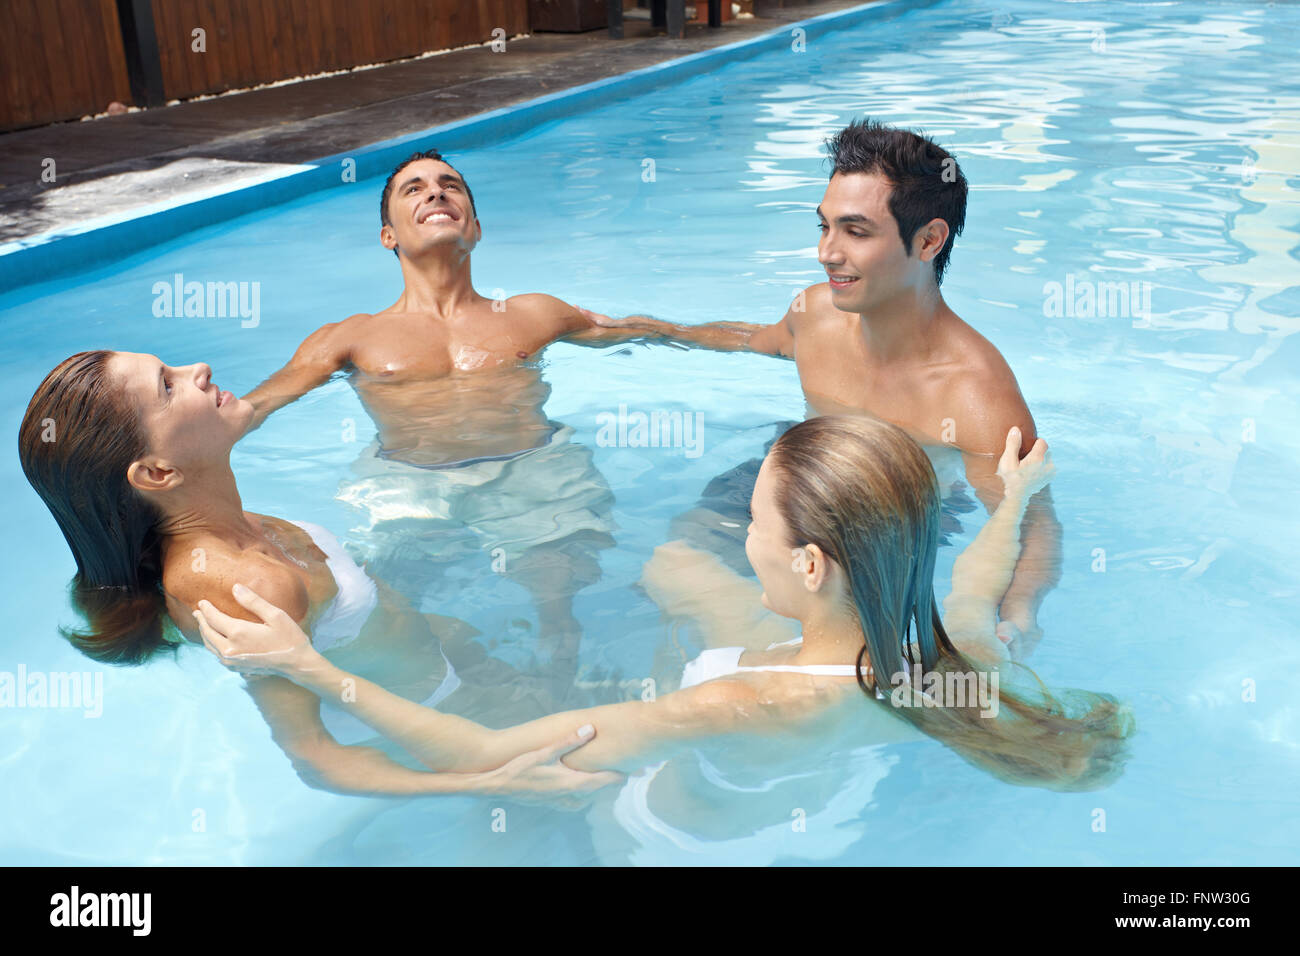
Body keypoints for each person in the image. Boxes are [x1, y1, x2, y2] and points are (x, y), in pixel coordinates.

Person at [193, 416, 1133, 798]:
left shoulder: (739, 701)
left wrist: (313, 670)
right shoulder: (952, 649)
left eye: (754, 520)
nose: (747, 532)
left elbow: (483, 756)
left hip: (689, 833)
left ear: (808, 563)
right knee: (675, 572)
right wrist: (1013, 501)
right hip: (824, 762)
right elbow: (977, 576)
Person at [18, 350, 622, 803]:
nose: (198, 367)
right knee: (616, 779)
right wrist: (488, 784)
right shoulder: (236, 587)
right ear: (156, 472)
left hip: (451, 662)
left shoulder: (229, 521)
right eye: (168, 386)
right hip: (451, 718)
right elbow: (314, 757)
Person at [580, 119, 1062, 655]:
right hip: (791, 475)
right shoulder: (815, 315)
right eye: (824, 226)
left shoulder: (975, 397)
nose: (827, 252)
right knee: (665, 569)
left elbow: (1031, 523)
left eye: (855, 232)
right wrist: (652, 330)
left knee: (807, 633)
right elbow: (752, 339)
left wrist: (1017, 617)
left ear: (928, 240)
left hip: (888, 512)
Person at [239, 149, 642, 694]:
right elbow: (254, 407)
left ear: (474, 227)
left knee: (559, 610)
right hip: (406, 479)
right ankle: (430, 694)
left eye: (449, 185)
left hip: (535, 469)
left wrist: (775, 337)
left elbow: (650, 331)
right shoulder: (350, 337)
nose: (435, 193)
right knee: (376, 605)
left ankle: (560, 683)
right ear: (389, 237)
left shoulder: (534, 314)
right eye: (415, 189)